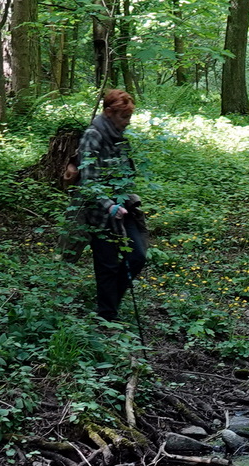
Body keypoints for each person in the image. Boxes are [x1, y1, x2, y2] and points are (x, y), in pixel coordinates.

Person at [79, 89, 148, 323]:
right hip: (100, 213)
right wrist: (109, 206)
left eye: (130, 117)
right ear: (109, 112)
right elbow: (88, 181)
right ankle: (107, 316)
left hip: (124, 206)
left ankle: (110, 303)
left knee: (137, 256)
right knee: (107, 265)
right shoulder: (93, 135)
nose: (127, 122)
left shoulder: (120, 136)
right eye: (123, 117)